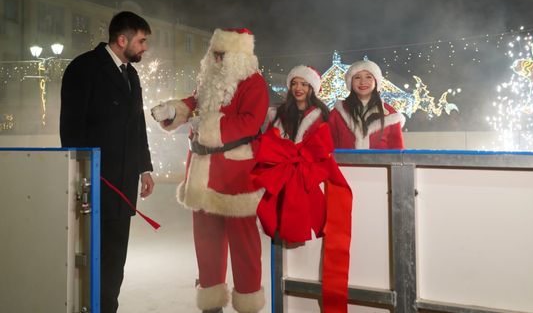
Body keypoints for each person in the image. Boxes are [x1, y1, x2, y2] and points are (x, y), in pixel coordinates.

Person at [151, 28, 268, 313]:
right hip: (202, 172)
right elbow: (195, 102)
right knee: (206, 242)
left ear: (238, 56)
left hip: (235, 174)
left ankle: (248, 301)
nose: (216, 59)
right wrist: (174, 110)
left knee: (244, 245)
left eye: (222, 54)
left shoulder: (254, 83)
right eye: (214, 53)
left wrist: (206, 125)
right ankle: (211, 302)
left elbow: (250, 122)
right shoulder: (209, 80)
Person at [60, 11, 155, 313]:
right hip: (93, 182)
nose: (145, 47)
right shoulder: (84, 68)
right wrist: (79, 172)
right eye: (141, 41)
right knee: (89, 254)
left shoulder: (131, 74)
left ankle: (107, 307)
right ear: (122, 40)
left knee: (115, 258)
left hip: (123, 183)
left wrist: (144, 167)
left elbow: (137, 124)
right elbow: (71, 127)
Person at [252, 65, 352, 313]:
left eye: (304, 84)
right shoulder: (276, 113)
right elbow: (266, 143)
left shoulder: (322, 115)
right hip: (281, 176)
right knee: (276, 228)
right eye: (295, 83)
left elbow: (326, 147)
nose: (298, 88)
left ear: (312, 89)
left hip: (307, 176)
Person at [329, 59, 405, 149]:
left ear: (376, 82)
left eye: (368, 77)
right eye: (357, 77)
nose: (363, 82)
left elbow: (398, 151)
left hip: (380, 159)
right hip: (345, 159)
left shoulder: (391, 114)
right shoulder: (338, 113)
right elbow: (329, 147)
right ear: (350, 82)